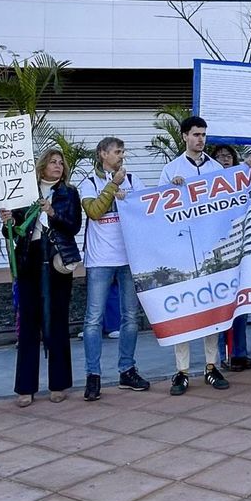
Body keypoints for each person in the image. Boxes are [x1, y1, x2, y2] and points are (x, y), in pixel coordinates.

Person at [158, 115, 230, 394]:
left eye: (203, 134)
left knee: (212, 306)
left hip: (210, 249)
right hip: (183, 249)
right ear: (185, 136)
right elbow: (160, 210)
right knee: (186, 307)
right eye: (196, 134)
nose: (201, 139)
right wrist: (170, 190)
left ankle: (212, 366)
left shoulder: (215, 168)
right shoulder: (171, 169)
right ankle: (182, 371)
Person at [5, 149, 82, 405]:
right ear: (42, 166)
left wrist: (52, 213)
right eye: (53, 162)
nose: (58, 166)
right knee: (29, 321)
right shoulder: (25, 192)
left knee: (57, 319)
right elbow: (12, 232)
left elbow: (73, 226)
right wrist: (7, 219)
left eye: (61, 163)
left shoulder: (68, 193)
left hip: (57, 257)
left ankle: (59, 383)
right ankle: (25, 386)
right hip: (30, 257)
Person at [78, 137, 152, 401]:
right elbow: (95, 212)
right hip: (100, 260)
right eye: (117, 152)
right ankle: (93, 375)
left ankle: (127, 370)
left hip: (129, 258)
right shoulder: (88, 182)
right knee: (93, 319)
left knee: (130, 317)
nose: (122, 156)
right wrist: (113, 187)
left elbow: (146, 208)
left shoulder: (133, 180)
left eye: (123, 151)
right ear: (102, 154)